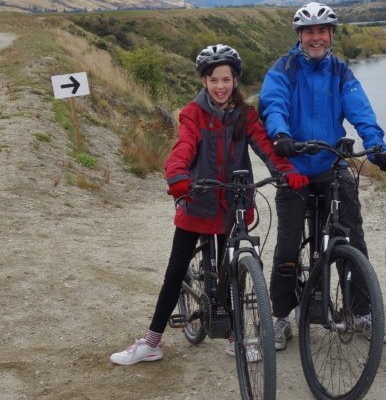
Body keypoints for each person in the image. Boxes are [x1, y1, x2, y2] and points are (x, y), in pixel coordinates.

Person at [110, 44, 308, 366]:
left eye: (226, 79)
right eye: (213, 79)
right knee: (175, 273)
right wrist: (176, 174)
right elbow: (184, 146)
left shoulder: (246, 115)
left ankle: (235, 336)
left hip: (234, 202)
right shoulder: (193, 113)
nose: (220, 86)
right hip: (198, 202)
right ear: (204, 81)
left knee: (233, 272)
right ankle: (151, 342)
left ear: (235, 81)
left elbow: (266, 149)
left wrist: (287, 172)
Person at [258, 1, 386, 349]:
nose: (316, 38)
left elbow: (359, 109)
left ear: (331, 35)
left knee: (353, 239)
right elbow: (273, 105)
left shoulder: (340, 72)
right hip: (296, 166)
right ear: (300, 36)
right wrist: (280, 135)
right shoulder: (284, 69)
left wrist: (376, 144)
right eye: (310, 32)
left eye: (323, 31)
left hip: (332, 165)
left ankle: (360, 311)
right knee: (288, 245)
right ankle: (280, 317)